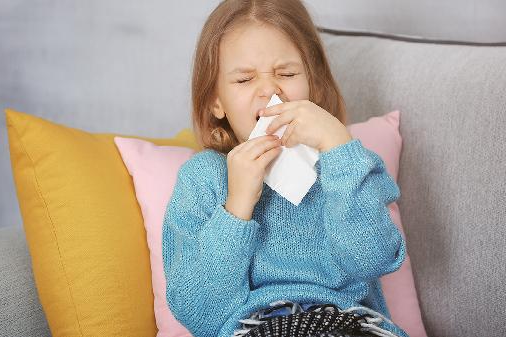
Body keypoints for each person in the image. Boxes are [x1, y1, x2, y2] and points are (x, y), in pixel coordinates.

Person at [161, 1, 408, 336]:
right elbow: (200, 314)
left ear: (314, 87)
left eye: (287, 74)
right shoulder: (203, 178)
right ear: (214, 102)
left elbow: (373, 258)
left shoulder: (349, 165)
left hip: (346, 324)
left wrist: (338, 147)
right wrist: (236, 209)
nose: (270, 90)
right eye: (245, 79)